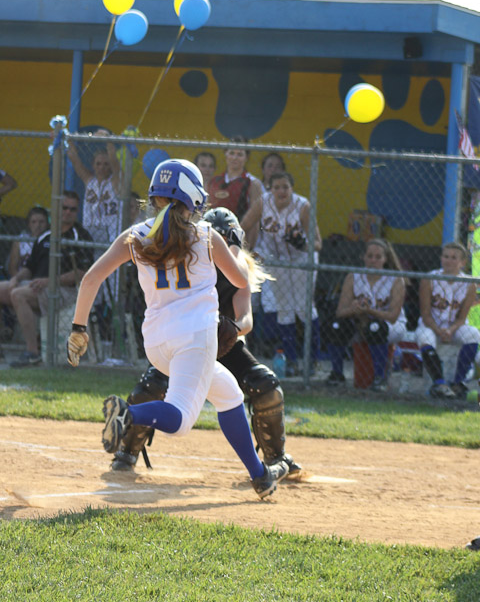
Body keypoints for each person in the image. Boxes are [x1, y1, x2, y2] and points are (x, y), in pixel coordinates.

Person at [66, 159, 289, 499]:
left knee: (229, 393)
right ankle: (128, 414)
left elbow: (91, 278)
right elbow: (241, 280)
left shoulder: (135, 235)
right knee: (181, 421)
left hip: (156, 343)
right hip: (195, 338)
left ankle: (260, 476)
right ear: (194, 198)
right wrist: (232, 249)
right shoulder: (206, 235)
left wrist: (79, 328)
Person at [109, 206, 302, 478]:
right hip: (188, 341)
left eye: (226, 240)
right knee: (152, 386)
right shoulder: (189, 259)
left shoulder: (239, 269)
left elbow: (246, 319)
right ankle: (126, 451)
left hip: (224, 343)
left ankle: (275, 458)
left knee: (265, 384)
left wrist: (231, 329)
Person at [241, 171, 323, 376]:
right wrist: (243, 248)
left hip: (302, 260)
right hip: (277, 261)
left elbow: (318, 244)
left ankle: (312, 361)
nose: (281, 191)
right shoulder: (263, 202)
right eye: (276, 187)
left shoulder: (302, 206)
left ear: (291, 188)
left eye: (285, 187)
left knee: (304, 309)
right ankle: (291, 361)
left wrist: (302, 243)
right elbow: (244, 226)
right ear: (270, 188)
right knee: (284, 310)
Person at [6, 191, 93, 367]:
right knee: (7, 289)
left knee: (18, 295)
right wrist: (16, 278)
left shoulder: (81, 236)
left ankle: (32, 353)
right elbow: (29, 267)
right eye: (64, 208)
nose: (68, 212)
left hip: (65, 291)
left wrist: (49, 281)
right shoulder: (46, 235)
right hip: (36, 285)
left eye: (72, 209)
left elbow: (82, 273)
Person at [324, 238, 407, 391]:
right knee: (335, 326)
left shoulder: (395, 279)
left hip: (392, 326)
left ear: (385, 259)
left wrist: (369, 311)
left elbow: (393, 316)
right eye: (369, 256)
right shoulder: (354, 276)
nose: (373, 260)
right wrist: (354, 309)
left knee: (375, 328)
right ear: (363, 257)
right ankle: (337, 374)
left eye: (378, 257)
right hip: (360, 322)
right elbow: (340, 311)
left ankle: (380, 378)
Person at [415, 241, 480, 399]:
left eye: (453, 257)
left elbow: (462, 317)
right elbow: (425, 314)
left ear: (463, 262)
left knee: (473, 333)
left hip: (455, 328)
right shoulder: (429, 278)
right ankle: (439, 383)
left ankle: (458, 383)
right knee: (424, 337)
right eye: (445, 256)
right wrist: (439, 331)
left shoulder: (470, 283)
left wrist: (450, 330)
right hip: (431, 326)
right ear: (441, 258)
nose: (448, 260)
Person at [0, 206, 49, 341]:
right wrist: (16, 280)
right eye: (34, 222)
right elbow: (12, 267)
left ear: (47, 223)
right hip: (22, 280)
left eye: (41, 222)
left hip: (41, 283)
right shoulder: (21, 240)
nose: (37, 225)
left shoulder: (49, 241)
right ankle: (3, 330)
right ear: (28, 224)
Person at [66, 130, 122, 245]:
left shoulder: (115, 181)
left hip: (110, 233)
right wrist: (69, 139)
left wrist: (108, 140)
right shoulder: (90, 181)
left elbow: (115, 163)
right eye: (98, 163)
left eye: (106, 164)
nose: (102, 167)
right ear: (93, 165)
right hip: (89, 231)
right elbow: (74, 160)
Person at [208, 137, 262, 225]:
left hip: (240, 229)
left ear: (246, 157)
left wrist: (239, 231)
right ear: (226, 154)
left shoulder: (253, 182)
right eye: (231, 153)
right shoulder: (214, 181)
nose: (235, 158)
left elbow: (255, 219)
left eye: (240, 154)